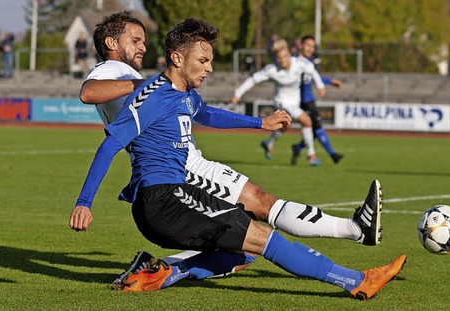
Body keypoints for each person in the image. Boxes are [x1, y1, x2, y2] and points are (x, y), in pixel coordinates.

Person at [69, 17, 405, 299]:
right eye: (203, 61)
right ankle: (357, 280)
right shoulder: (152, 94)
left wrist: (261, 123)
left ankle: (161, 271)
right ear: (177, 58)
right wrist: (84, 202)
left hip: (173, 198)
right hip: (165, 199)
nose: (210, 68)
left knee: (241, 253)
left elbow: (210, 114)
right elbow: (110, 143)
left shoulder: (183, 94)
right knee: (262, 236)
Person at [232, 39, 325, 166]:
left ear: (289, 54)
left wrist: (320, 85)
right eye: (279, 58)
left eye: (285, 56)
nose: (283, 60)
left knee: (284, 127)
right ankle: (311, 155)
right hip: (282, 103)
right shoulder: (271, 69)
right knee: (307, 121)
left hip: (295, 103)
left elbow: (312, 70)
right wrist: (238, 93)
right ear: (276, 58)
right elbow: (253, 79)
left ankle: (268, 143)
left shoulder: (298, 63)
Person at [291, 35, 344, 165]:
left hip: (309, 101)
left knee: (314, 129)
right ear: (301, 46)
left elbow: (316, 78)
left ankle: (298, 148)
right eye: (308, 45)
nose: (310, 48)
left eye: (312, 46)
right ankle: (332, 155)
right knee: (317, 127)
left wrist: (330, 81)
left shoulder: (310, 63)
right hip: (299, 102)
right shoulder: (293, 62)